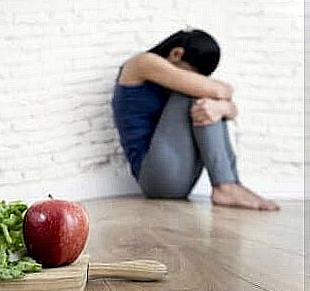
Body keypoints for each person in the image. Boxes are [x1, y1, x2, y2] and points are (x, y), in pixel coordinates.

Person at [111, 28, 279, 211]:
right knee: (198, 95)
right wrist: (222, 104)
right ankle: (225, 186)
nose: (191, 79)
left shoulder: (169, 77)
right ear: (176, 54)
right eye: (191, 74)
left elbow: (227, 104)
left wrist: (221, 108)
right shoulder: (141, 63)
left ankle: (231, 184)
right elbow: (220, 91)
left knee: (207, 101)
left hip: (182, 177)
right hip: (155, 178)